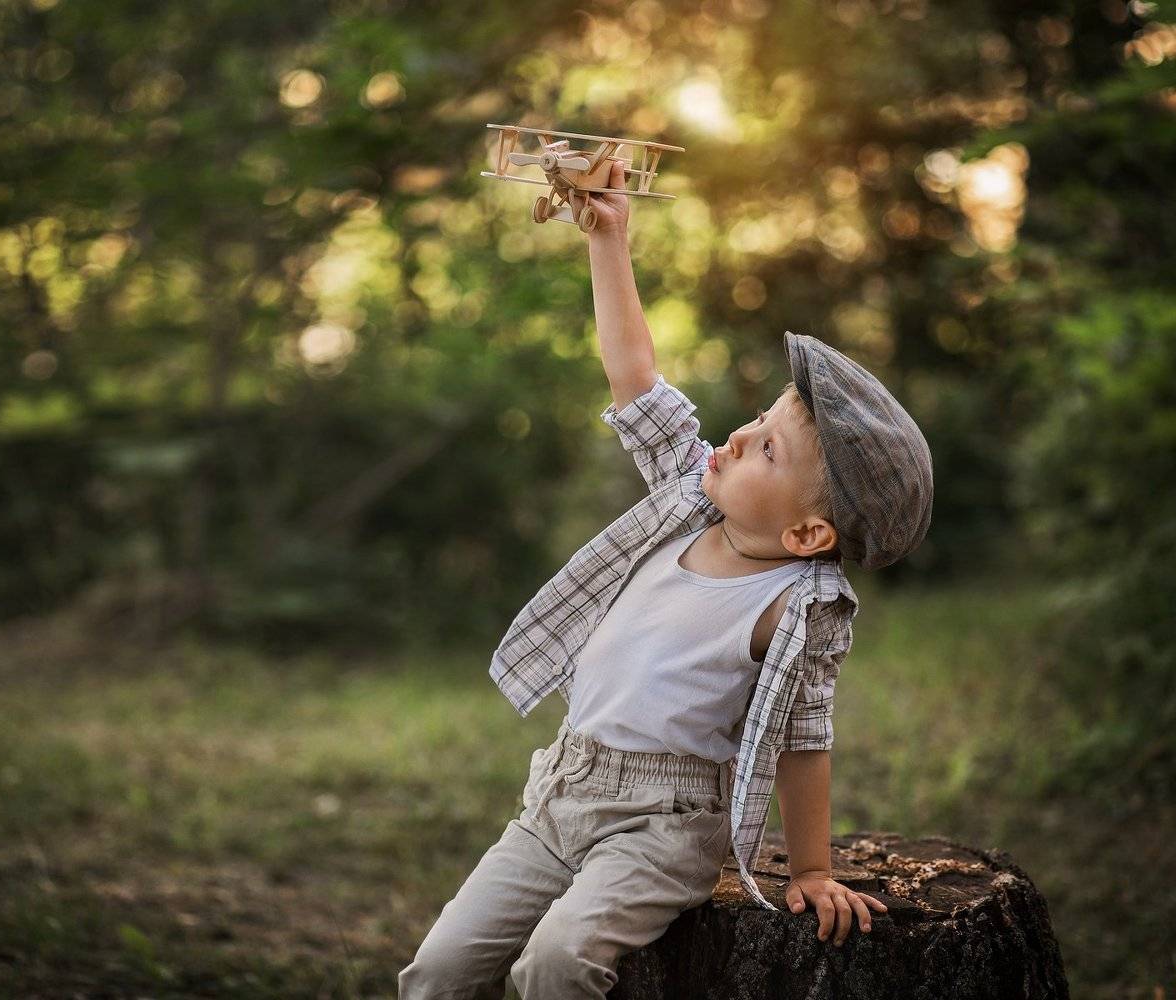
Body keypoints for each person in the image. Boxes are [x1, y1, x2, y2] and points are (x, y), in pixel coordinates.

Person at [400, 160, 933, 998]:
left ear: (805, 531)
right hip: (561, 794)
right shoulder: (687, 499)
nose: (738, 434)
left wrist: (813, 867)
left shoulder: (797, 604)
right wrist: (609, 240)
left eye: (765, 448)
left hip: (664, 825)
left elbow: (805, 736)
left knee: (555, 965)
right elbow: (636, 379)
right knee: (435, 972)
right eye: (756, 420)